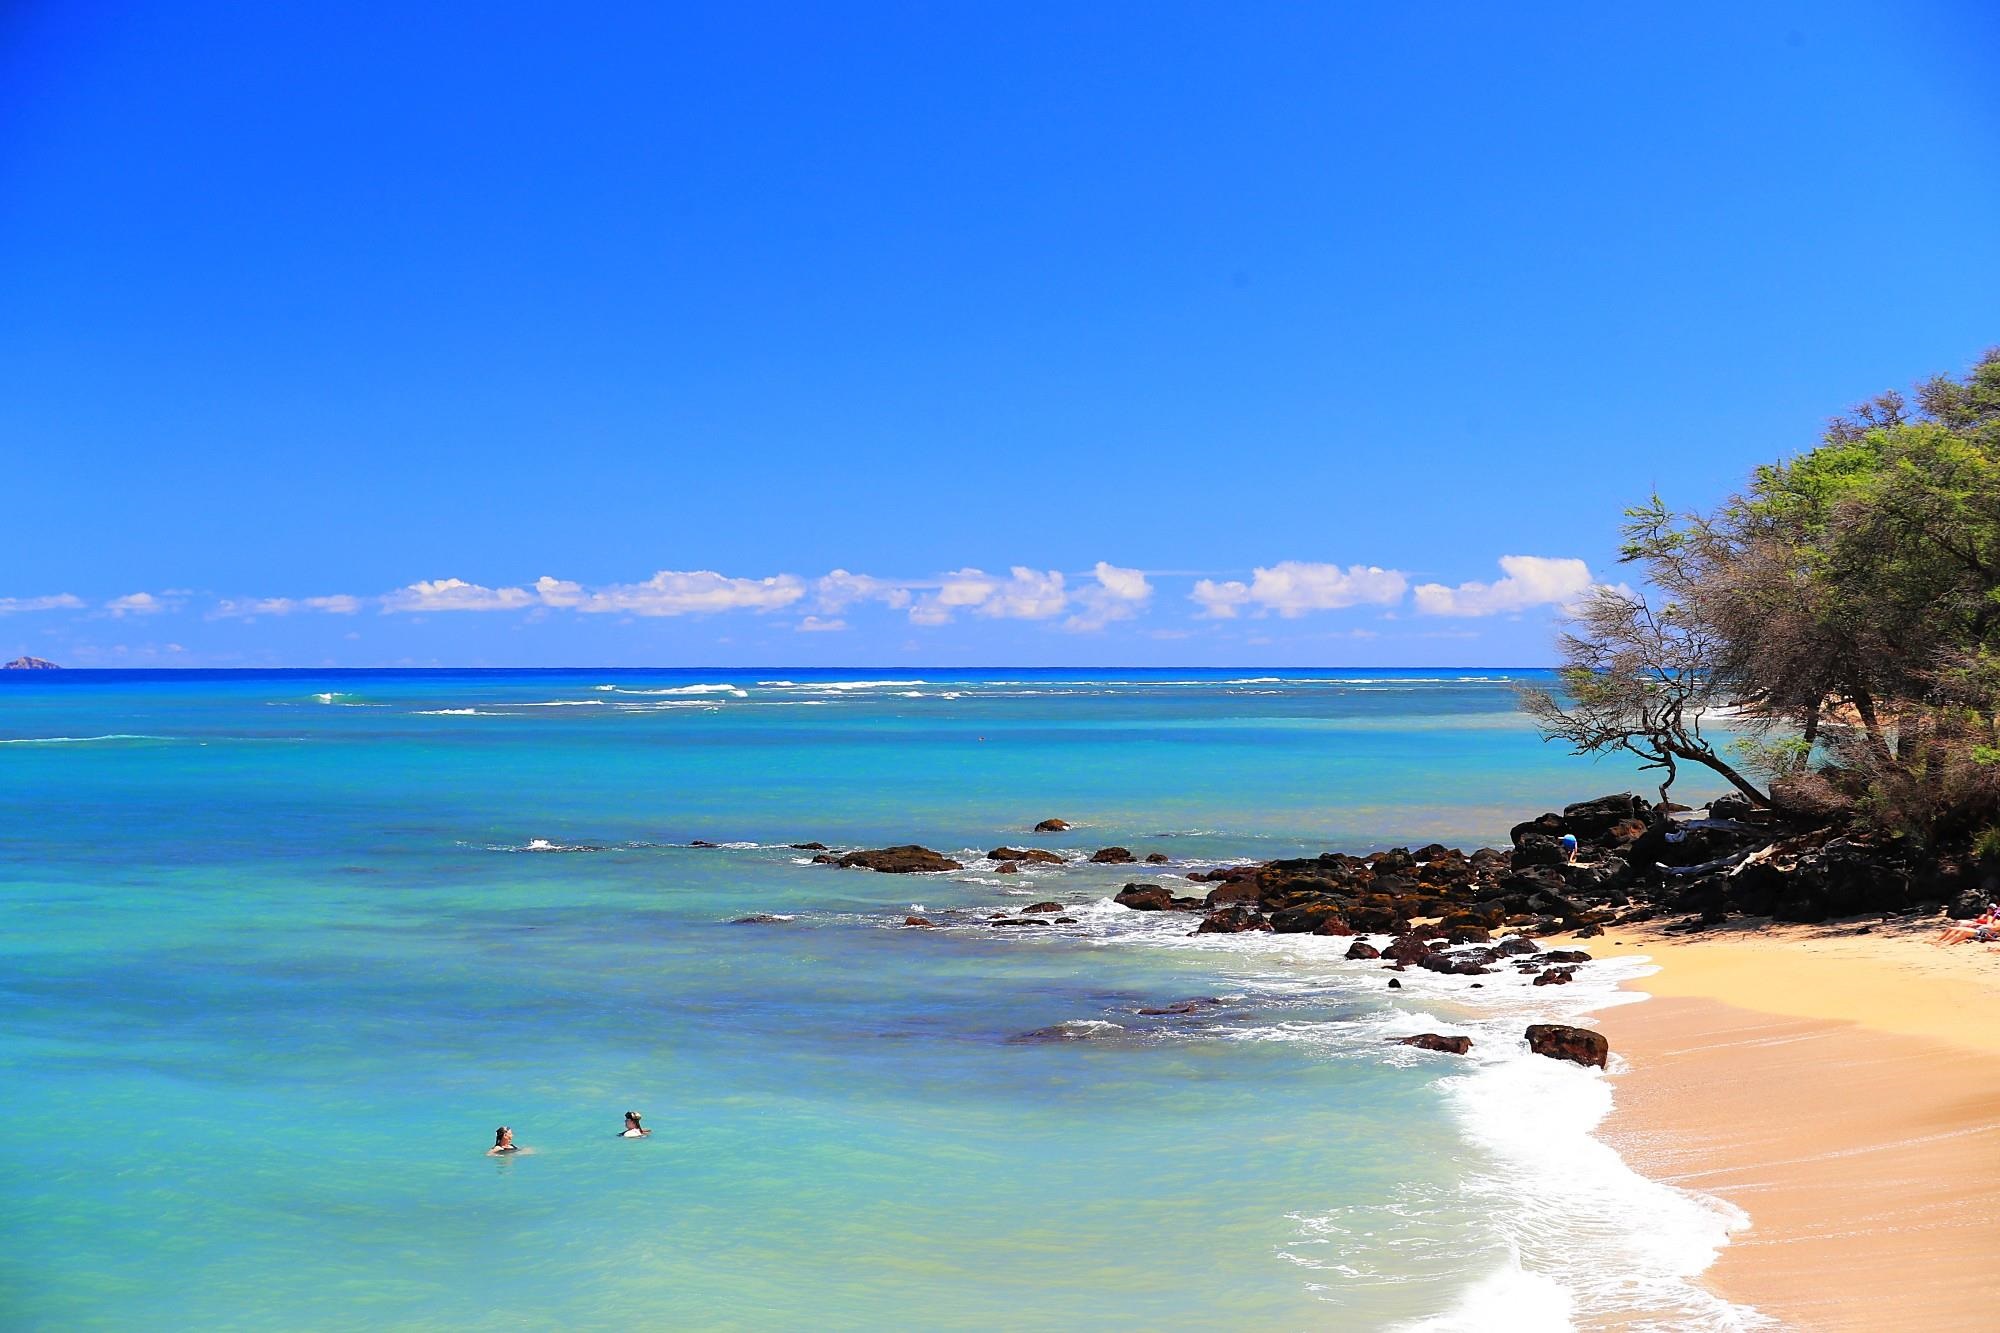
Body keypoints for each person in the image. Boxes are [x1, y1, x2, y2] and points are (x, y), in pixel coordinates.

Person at [1932, 906, 1998, 946]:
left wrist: (1980, 926)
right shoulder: (1991, 918)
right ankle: (1940, 940)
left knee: (1962, 932)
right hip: (1979, 929)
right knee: (1952, 928)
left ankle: (1945, 944)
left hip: (1982, 932)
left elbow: (1992, 929)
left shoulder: (1992, 919)